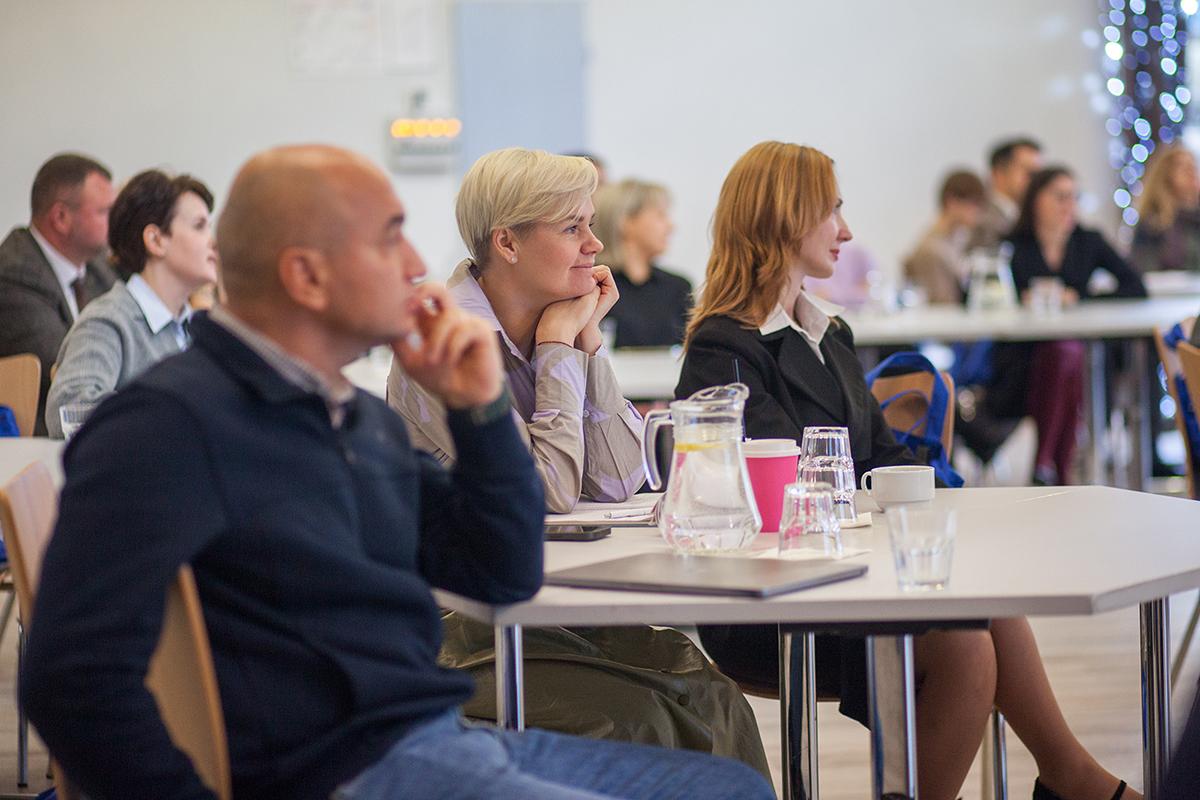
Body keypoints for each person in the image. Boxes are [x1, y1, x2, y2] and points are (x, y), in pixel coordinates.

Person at [19, 144, 774, 800]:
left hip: (435, 737)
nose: (417, 266)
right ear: (307, 275)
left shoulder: (350, 418)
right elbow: (70, 679)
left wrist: (481, 412)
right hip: (343, 772)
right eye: (389, 240)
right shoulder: (165, 429)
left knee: (731, 786)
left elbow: (502, 570)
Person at [675, 140, 1138, 800]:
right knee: (966, 645)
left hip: (855, 573)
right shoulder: (723, 346)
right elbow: (790, 486)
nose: (846, 231)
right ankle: (1072, 781)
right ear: (786, 218)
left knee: (989, 605)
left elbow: (881, 453)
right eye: (832, 212)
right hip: (774, 598)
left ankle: (1070, 777)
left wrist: (938, 491)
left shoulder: (829, 334)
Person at [388, 147, 770, 779]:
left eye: (590, 224)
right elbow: (548, 492)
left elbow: (620, 479)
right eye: (573, 228)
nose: (596, 245)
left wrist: (586, 342)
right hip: (466, 627)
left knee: (713, 695)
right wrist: (558, 349)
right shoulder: (445, 346)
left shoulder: (555, 320)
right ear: (507, 243)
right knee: (644, 719)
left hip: (550, 609)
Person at [987, 166, 1147, 485]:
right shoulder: (1012, 245)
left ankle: (1043, 462)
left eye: (1075, 197)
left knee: (1068, 355)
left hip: (1086, 362)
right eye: (1060, 197)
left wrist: (1081, 297)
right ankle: (1059, 468)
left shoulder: (1088, 241)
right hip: (1023, 363)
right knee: (1064, 356)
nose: (1069, 206)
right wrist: (1018, 301)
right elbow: (983, 297)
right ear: (1036, 201)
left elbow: (1136, 286)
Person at [45, 169, 218, 438]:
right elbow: (69, 410)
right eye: (199, 226)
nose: (213, 241)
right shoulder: (108, 321)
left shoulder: (193, 330)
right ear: (156, 241)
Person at [0, 153, 118, 434]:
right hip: (40, 441)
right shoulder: (14, 275)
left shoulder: (96, 268)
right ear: (61, 218)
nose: (115, 223)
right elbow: (71, 367)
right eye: (105, 212)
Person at [592, 178, 693, 348]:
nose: (670, 226)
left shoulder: (678, 287)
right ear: (625, 222)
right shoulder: (593, 284)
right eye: (661, 215)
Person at [903, 169, 987, 304]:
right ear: (951, 201)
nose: (977, 212)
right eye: (973, 204)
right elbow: (941, 306)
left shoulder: (958, 239)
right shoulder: (930, 250)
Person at [1131, 144, 1200, 273]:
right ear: (1166, 175)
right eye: (1186, 168)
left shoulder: (1196, 219)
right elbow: (1142, 269)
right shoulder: (1152, 224)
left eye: (1194, 168)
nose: (1193, 174)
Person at [969, 137, 1044, 252]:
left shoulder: (1031, 218)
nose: (1037, 182)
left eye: (1040, 176)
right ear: (999, 174)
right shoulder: (979, 221)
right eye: (1030, 173)